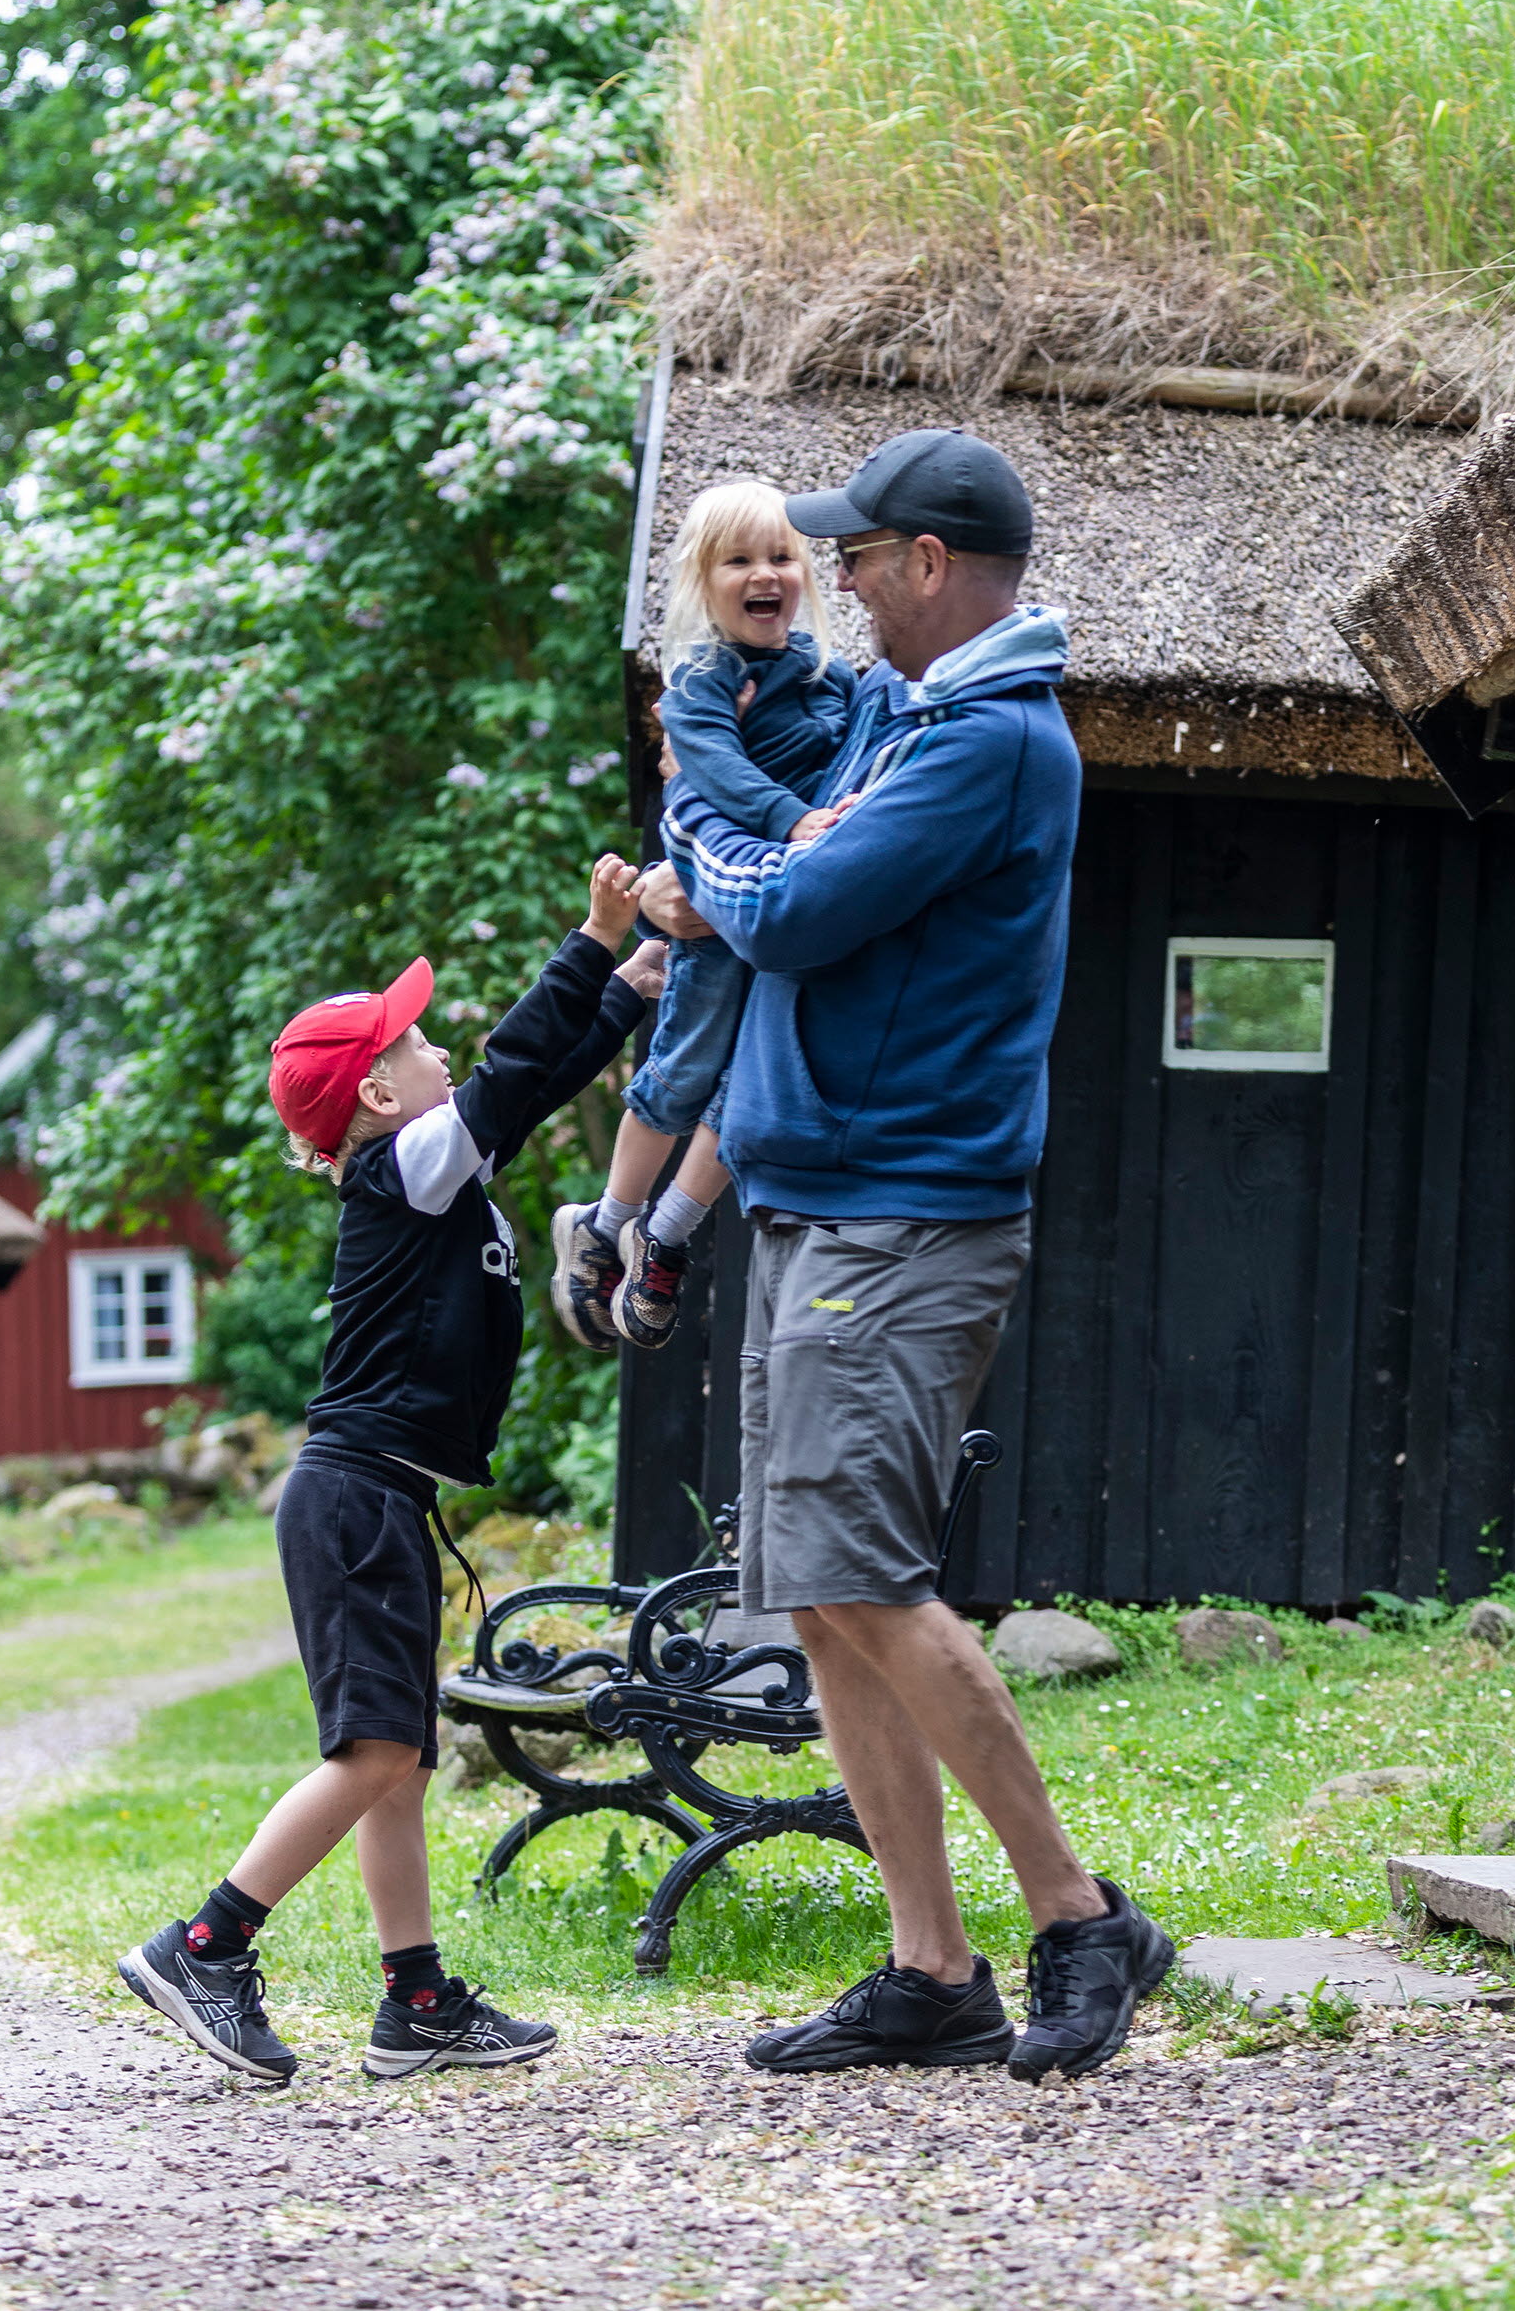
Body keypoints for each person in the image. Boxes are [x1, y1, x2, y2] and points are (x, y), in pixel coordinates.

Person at [642, 428, 1173, 2082]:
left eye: (860, 557)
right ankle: (930, 1969)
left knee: (864, 1568)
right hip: (822, 1198)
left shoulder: (991, 744)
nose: (840, 582)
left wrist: (705, 882)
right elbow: (786, 862)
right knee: (815, 1589)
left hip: (906, 1210)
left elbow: (791, 913)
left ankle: (1081, 1916)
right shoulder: (911, 719)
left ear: (930, 562)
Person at [115, 852, 663, 2086]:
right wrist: (588, 943)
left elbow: (521, 1093)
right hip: (356, 1496)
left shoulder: (428, 1167)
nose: (439, 1052)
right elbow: (511, 1078)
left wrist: (624, 997)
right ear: (375, 1091)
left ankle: (413, 2000)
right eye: (416, 1044)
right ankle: (206, 1944)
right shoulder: (399, 1168)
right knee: (369, 1753)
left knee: (401, 1757)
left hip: (378, 1496)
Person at [548, 479, 857, 1356]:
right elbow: (708, 771)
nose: (765, 573)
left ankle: (666, 1235)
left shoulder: (828, 683)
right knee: (683, 1068)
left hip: (788, 927)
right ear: (701, 579)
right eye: (740, 561)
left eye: (781, 557)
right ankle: (607, 1222)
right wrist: (790, 820)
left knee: (747, 1095)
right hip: (719, 913)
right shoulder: (700, 681)